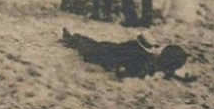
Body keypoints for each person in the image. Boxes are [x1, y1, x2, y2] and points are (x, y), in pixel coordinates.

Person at [60, 29, 191, 80]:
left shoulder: (145, 62)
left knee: (94, 48)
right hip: (116, 52)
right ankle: (74, 38)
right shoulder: (155, 64)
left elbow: (125, 71)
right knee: (96, 45)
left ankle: (72, 39)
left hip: (111, 56)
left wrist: (116, 69)